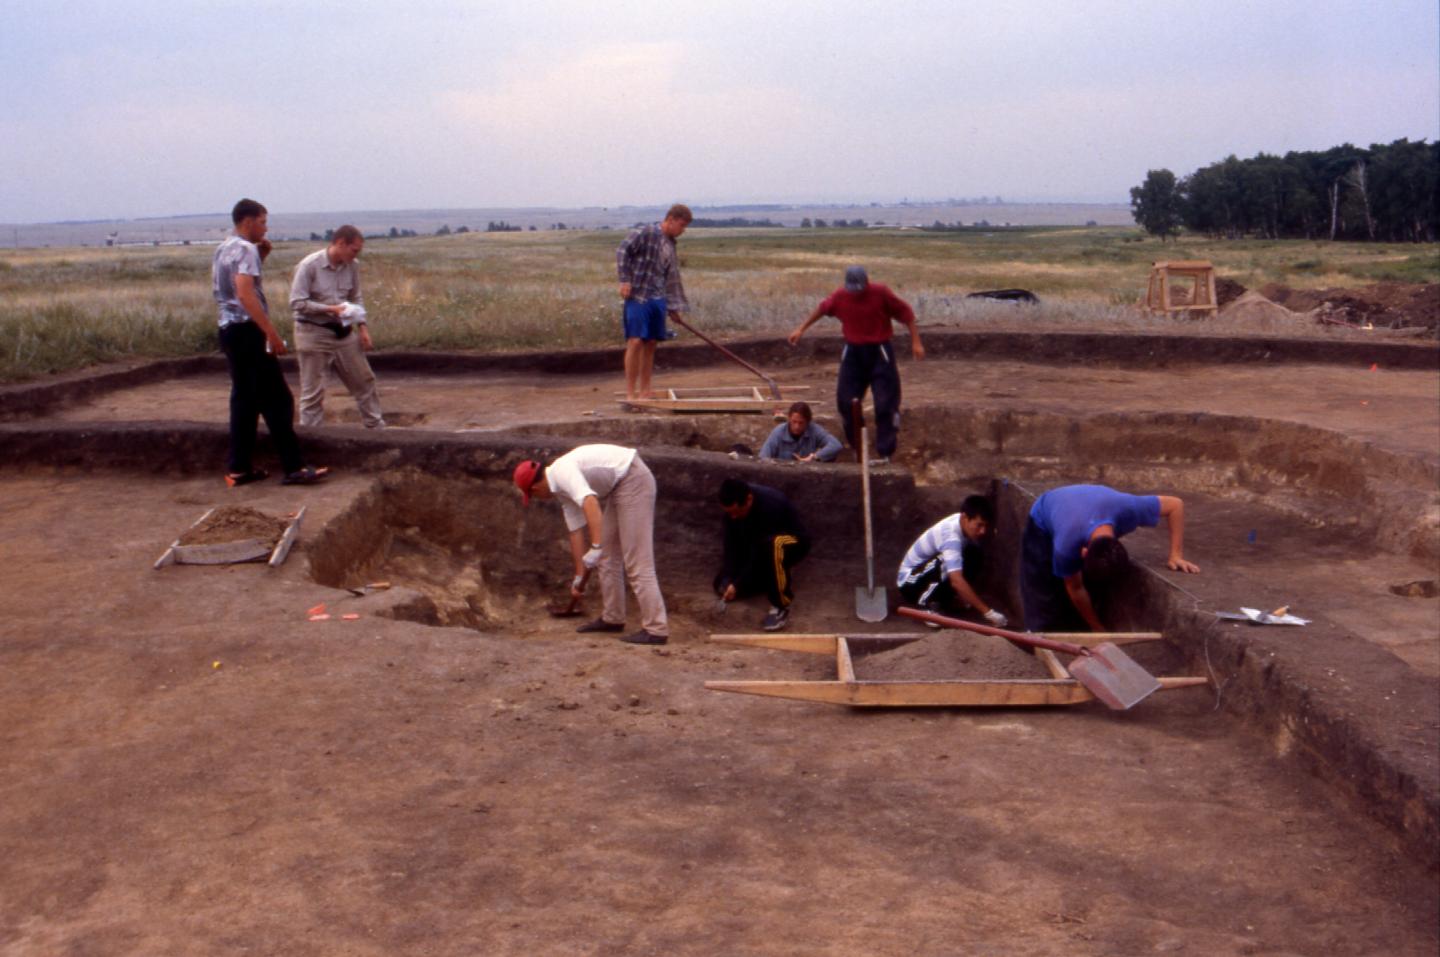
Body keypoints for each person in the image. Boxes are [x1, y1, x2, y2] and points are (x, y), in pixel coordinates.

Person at [212, 198, 327, 487]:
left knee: (245, 401)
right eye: (263, 221)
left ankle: (238, 469)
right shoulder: (247, 249)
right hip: (248, 331)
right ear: (248, 221)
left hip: (228, 330)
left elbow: (232, 286)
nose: (266, 227)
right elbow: (245, 294)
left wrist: (261, 258)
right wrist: (270, 333)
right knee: (278, 399)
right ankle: (294, 467)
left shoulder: (224, 248)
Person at [513, 444, 669, 645]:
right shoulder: (560, 490)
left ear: (534, 489)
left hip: (633, 479)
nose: (538, 499)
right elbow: (576, 531)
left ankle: (656, 629)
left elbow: (590, 502)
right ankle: (613, 618)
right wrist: (579, 577)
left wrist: (596, 545)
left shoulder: (562, 472)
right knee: (606, 557)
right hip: (619, 486)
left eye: (532, 496)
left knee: (637, 561)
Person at [787, 265, 924, 462]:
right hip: (853, 352)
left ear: (866, 283)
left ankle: (885, 452)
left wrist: (916, 342)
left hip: (879, 352)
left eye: (859, 289)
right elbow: (822, 308)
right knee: (846, 402)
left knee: (886, 404)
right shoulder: (841, 296)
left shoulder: (881, 293)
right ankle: (858, 449)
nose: (856, 293)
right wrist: (801, 329)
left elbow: (906, 314)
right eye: (853, 289)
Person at [1021, 484, 1201, 633]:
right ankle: (1038, 636)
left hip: (1088, 505)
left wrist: (1175, 555)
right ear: (1083, 552)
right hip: (1044, 516)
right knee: (1042, 586)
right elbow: (1075, 588)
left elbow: (1176, 505)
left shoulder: (1129, 509)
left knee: (1090, 586)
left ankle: (1077, 624)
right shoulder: (1066, 545)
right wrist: (1097, 628)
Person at [289, 225, 385, 429]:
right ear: (341, 243)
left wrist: (363, 328)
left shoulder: (352, 266)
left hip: (343, 333)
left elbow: (355, 297)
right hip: (313, 333)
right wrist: (331, 309)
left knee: (364, 381)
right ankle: (312, 438)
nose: (356, 254)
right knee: (313, 392)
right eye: (354, 249)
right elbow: (297, 303)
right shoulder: (309, 266)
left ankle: (376, 428)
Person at [615, 204, 692, 401]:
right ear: (671, 219)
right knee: (635, 341)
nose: (683, 231)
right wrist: (624, 280)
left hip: (658, 299)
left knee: (650, 343)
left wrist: (673, 307)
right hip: (639, 295)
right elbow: (622, 250)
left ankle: (645, 391)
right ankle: (631, 393)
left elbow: (670, 277)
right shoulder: (646, 231)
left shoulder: (671, 244)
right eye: (682, 225)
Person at [714, 478, 811, 631]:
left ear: (749, 500)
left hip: (791, 542)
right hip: (758, 546)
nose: (732, 517)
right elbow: (730, 547)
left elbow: (759, 553)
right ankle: (769, 579)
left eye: (736, 512)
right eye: (729, 513)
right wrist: (729, 579)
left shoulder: (771, 505)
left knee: (772, 546)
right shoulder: (733, 512)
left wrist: (739, 583)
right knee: (721, 583)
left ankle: (780, 605)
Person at [897, 495, 1006, 628]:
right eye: (979, 525)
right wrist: (988, 613)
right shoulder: (950, 537)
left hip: (923, 576)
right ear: (965, 518)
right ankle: (927, 606)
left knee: (974, 553)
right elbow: (956, 580)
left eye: (985, 526)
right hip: (910, 583)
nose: (982, 531)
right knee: (946, 561)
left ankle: (944, 600)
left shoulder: (961, 522)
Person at [758, 401, 844, 463]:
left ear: (808, 422)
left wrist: (815, 457)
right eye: (794, 422)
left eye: (801, 423)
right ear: (789, 419)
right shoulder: (779, 432)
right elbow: (763, 456)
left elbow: (836, 445)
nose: (797, 426)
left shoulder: (814, 430)